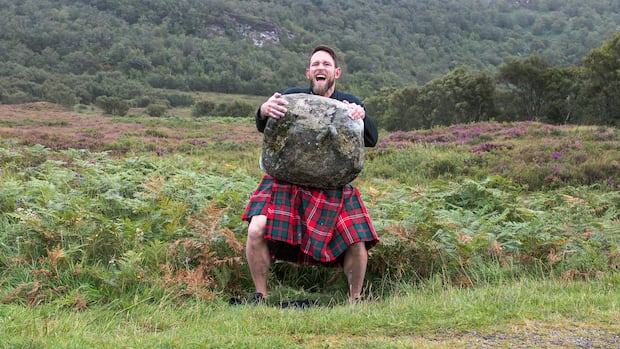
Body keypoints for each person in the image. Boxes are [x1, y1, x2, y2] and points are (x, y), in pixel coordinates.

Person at [242, 45, 379, 304]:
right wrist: (263, 109)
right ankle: (260, 295)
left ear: (336, 72)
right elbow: (263, 124)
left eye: (326, 64)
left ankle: (356, 300)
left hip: (331, 185)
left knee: (356, 238)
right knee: (256, 228)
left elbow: (371, 137)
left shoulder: (349, 102)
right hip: (287, 180)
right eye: (315, 64)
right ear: (308, 72)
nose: (320, 68)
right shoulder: (292, 97)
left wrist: (361, 116)